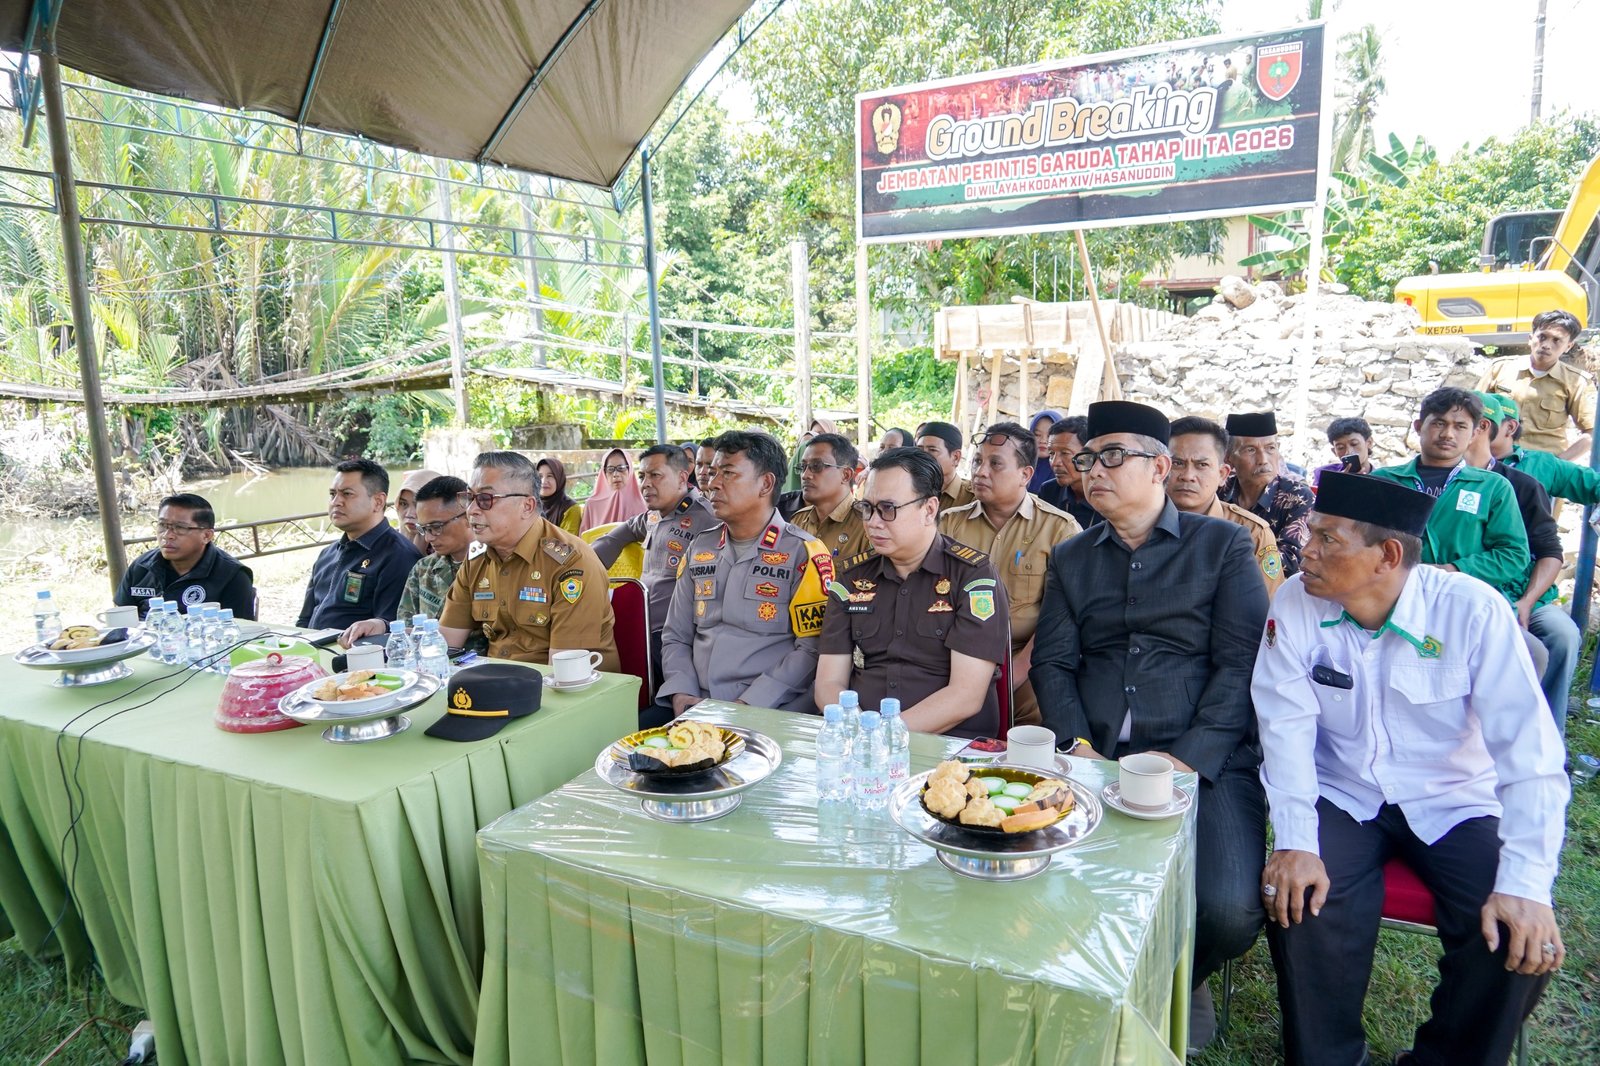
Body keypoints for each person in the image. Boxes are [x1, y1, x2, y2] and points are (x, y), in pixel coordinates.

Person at [1252, 472, 1569, 1066]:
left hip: (1455, 799)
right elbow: (1284, 727)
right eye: (1310, 534)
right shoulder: (1296, 601)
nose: (1306, 551)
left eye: (1327, 539)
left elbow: (1531, 754)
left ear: (1388, 556)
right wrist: (1295, 840)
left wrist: (1527, 883)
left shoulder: (1471, 611)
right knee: (1301, 900)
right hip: (1345, 793)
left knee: (1515, 935)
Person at [1031, 400, 1268, 1049]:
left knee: (1227, 912)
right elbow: (1053, 663)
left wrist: (1189, 759)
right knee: (1043, 877)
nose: (1094, 470)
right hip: (1098, 749)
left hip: (1203, 754)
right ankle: (1095, 977)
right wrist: (1078, 745)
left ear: (1160, 467)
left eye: (1112, 456)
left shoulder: (1222, 546)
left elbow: (1241, 662)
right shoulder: (1072, 557)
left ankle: (1178, 973)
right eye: (1088, 459)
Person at [818, 447, 1012, 736]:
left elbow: (966, 696)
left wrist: (883, 736)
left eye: (888, 509)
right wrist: (858, 729)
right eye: (867, 508)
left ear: (929, 510)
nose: (872, 522)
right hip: (860, 738)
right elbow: (828, 682)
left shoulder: (972, 577)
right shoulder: (851, 578)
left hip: (949, 745)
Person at [655, 430, 833, 722]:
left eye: (728, 473)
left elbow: (812, 648)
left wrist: (749, 703)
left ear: (766, 484)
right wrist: (681, 690)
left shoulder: (804, 553)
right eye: (713, 472)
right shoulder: (700, 547)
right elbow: (676, 634)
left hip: (771, 710)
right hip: (697, 703)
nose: (712, 483)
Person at [938, 422, 1080, 726]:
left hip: (1027, 664)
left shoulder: (1059, 529)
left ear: (1025, 475)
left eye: (995, 464)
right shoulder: (947, 525)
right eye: (978, 461)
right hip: (952, 660)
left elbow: (1060, 620)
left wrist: (1014, 673)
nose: (980, 472)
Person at [439, 451, 619, 669]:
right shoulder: (477, 559)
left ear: (527, 506)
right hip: (498, 678)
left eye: (485, 499)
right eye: (470, 498)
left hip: (564, 683)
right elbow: (446, 644)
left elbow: (565, 672)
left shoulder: (572, 563)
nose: (471, 510)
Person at [1468, 394, 1576, 734]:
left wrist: (1527, 601)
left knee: (1563, 634)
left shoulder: (1526, 481)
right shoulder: (1434, 480)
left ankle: (1547, 731)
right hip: (1469, 591)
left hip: (1522, 593)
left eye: (1475, 424)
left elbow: (1549, 551)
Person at [1370, 389, 1530, 604]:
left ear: (1474, 433)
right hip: (1388, 600)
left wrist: (1453, 570)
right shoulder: (1383, 481)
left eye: (1460, 426)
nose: (1448, 434)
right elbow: (1358, 541)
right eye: (1439, 423)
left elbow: (1514, 554)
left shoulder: (1493, 487)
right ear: (1418, 427)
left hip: (1464, 601)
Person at [590, 443, 719, 676]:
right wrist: (584, 565)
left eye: (655, 475)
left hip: (675, 639)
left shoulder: (708, 520)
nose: (645, 484)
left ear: (682, 478)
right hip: (639, 627)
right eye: (642, 476)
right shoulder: (654, 516)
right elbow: (618, 536)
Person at [337, 475, 487, 653]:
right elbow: (407, 630)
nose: (429, 537)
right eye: (424, 529)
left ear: (467, 516)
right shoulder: (423, 569)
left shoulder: (490, 567)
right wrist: (380, 626)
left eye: (436, 527)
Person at [296, 459, 421, 630]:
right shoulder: (328, 554)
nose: (336, 502)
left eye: (347, 494)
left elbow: (392, 627)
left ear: (378, 502)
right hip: (310, 644)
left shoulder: (399, 555)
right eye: (333, 494)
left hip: (354, 646)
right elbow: (304, 620)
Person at [1167, 416, 1285, 596]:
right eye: (1177, 463)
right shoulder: (1138, 524)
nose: (1188, 476)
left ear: (1222, 474)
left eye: (1202, 465)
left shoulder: (1253, 533)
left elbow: (1267, 606)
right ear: (1160, 468)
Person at [1476, 308, 1595, 459]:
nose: (1546, 345)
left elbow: (1592, 432)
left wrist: (1557, 465)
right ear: (1530, 338)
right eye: (1542, 337)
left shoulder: (1576, 381)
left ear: (1568, 346)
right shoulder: (1500, 368)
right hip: (1496, 460)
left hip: (1542, 463)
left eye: (1556, 340)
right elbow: (1473, 413)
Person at [115, 493, 256, 619]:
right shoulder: (141, 567)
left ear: (206, 536)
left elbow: (239, 631)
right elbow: (121, 621)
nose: (167, 535)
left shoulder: (232, 575)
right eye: (162, 525)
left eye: (180, 527)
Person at [1220, 411, 1315, 577]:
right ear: (1228, 458)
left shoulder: (1298, 497)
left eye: (1271, 448)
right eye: (1250, 450)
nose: (1263, 459)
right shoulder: (1218, 490)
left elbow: (1291, 562)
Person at [1490, 394, 1600, 506]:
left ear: (1510, 427)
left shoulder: (1541, 465)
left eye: (1485, 423)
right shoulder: (1478, 463)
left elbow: (1592, 483)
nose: (1479, 429)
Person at [789, 433, 872, 561]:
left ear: (846, 475)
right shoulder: (798, 521)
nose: (805, 475)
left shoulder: (867, 525)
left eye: (816, 466)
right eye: (803, 467)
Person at [1039, 415, 1098, 528]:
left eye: (1065, 453)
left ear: (1088, 456)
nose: (1055, 462)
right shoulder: (1049, 492)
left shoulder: (1107, 496)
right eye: (1051, 453)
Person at [580, 448, 646, 532]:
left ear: (629, 470)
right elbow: (583, 537)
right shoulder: (592, 505)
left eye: (621, 468)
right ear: (604, 473)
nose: (616, 474)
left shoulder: (644, 502)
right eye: (610, 469)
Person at [915, 421, 975, 513]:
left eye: (932, 450)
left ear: (956, 457)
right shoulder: (910, 491)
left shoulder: (974, 498)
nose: (923, 456)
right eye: (919, 450)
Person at [1311, 417, 1374, 485]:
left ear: (1369, 443)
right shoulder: (1324, 475)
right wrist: (1338, 482)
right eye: (1340, 448)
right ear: (1334, 451)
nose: (1348, 452)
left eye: (1354, 444)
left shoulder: (1380, 477)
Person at [393, 468, 443, 554]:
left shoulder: (451, 550)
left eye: (417, 506)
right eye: (403, 504)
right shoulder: (388, 542)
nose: (409, 514)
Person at [536, 458, 583, 533]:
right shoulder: (531, 504)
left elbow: (568, 539)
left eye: (550, 476)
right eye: (540, 476)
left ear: (559, 479)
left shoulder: (570, 509)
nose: (543, 481)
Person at [1025, 408, 1064, 492]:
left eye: (1049, 435)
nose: (1043, 440)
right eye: (1037, 434)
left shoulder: (1064, 471)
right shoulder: (1019, 462)